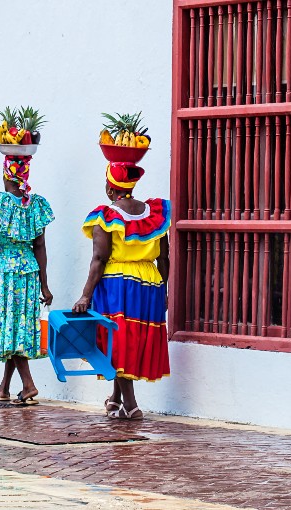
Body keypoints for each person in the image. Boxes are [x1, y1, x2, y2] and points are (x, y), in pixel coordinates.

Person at [73, 161, 171, 420]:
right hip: (150, 281)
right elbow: (164, 258)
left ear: (109, 188)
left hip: (117, 282)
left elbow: (99, 259)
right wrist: (164, 290)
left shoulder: (105, 216)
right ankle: (116, 399)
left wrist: (85, 295)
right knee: (132, 340)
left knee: (117, 343)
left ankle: (131, 403)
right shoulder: (155, 213)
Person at [0, 155, 54, 405]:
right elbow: (40, 246)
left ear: (6, 175)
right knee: (17, 326)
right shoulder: (35, 205)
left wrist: (1, 237)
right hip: (28, 270)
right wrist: (45, 285)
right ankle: (5, 387)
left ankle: (28, 385)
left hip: (5, 270)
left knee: (10, 326)